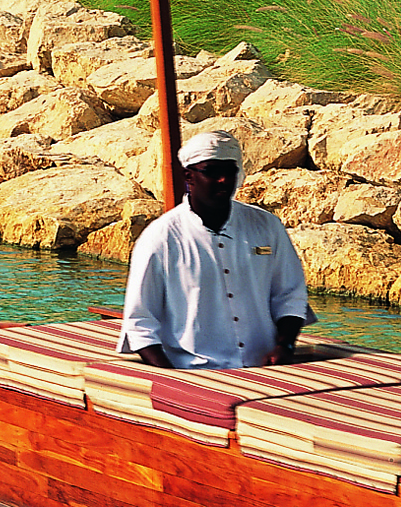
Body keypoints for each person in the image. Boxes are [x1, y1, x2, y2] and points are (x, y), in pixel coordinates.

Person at [118, 123, 313, 370]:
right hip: (194, 372)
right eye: (211, 172)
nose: (223, 180)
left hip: (265, 370)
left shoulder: (267, 226)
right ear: (188, 176)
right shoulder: (161, 238)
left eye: (230, 171)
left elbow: (291, 295)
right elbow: (140, 322)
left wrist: (285, 346)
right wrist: (173, 379)